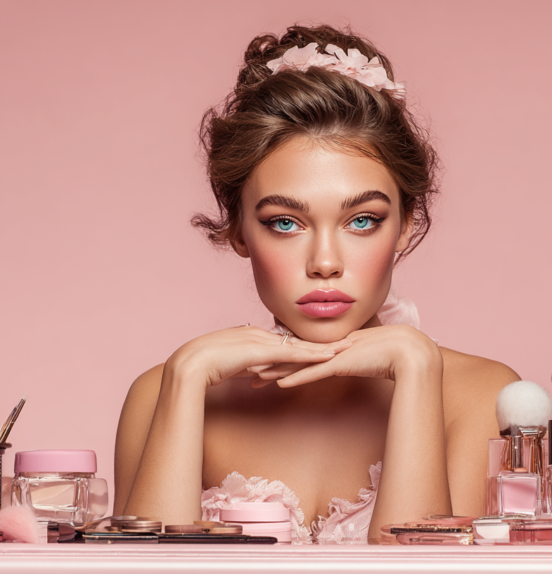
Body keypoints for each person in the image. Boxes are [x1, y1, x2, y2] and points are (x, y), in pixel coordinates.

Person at [114, 24, 519, 543]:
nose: (324, 263)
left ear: (405, 224)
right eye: (285, 222)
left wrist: (417, 372)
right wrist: (187, 377)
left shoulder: (480, 397)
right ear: (238, 229)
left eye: (362, 220)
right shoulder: (163, 392)